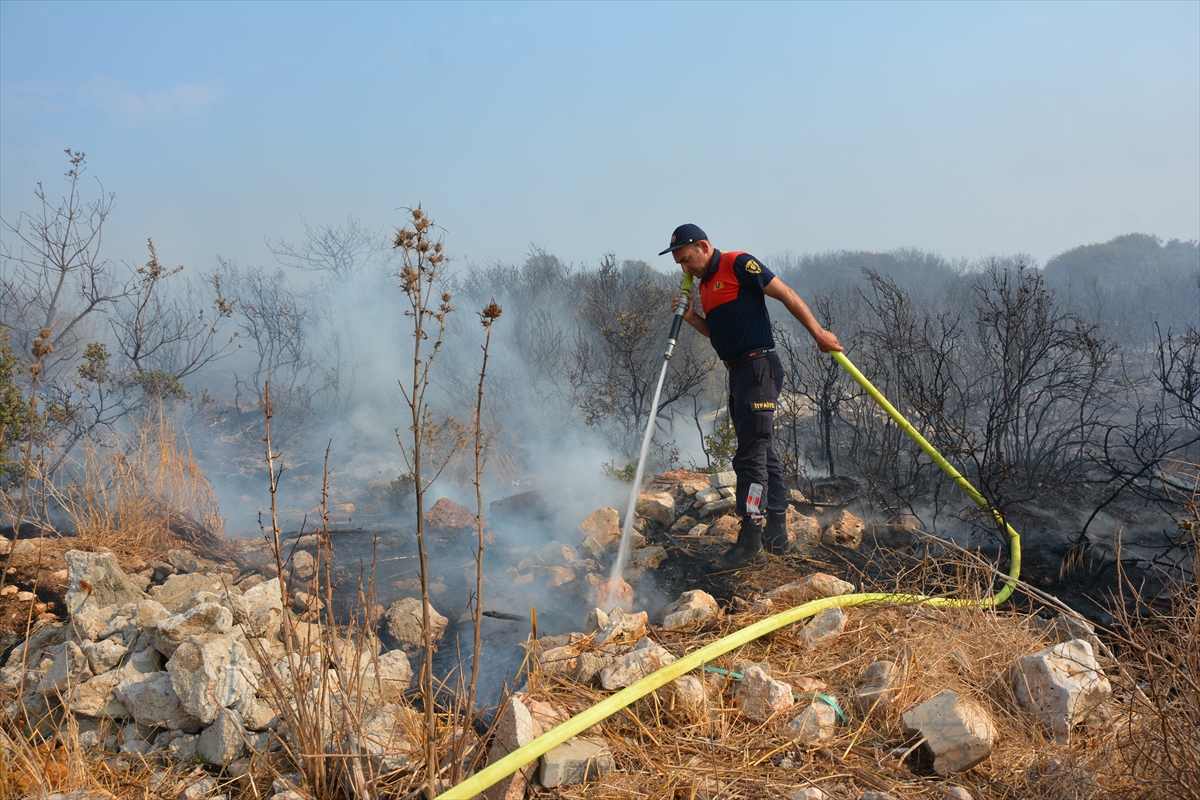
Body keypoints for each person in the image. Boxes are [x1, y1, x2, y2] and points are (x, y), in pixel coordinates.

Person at [660, 223, 842, 570]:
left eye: (686, 260)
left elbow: (786, 293)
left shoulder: (739, 264)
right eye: (679, 265)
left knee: (749, 457)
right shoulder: (704, 287)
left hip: (759, 367)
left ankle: (750, 540)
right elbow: (718, 333)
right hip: (738, 371)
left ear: (703, 246)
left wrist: (818, 333)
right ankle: (776, 534)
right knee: (763, 450)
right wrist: (691, 317)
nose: (685, 269)